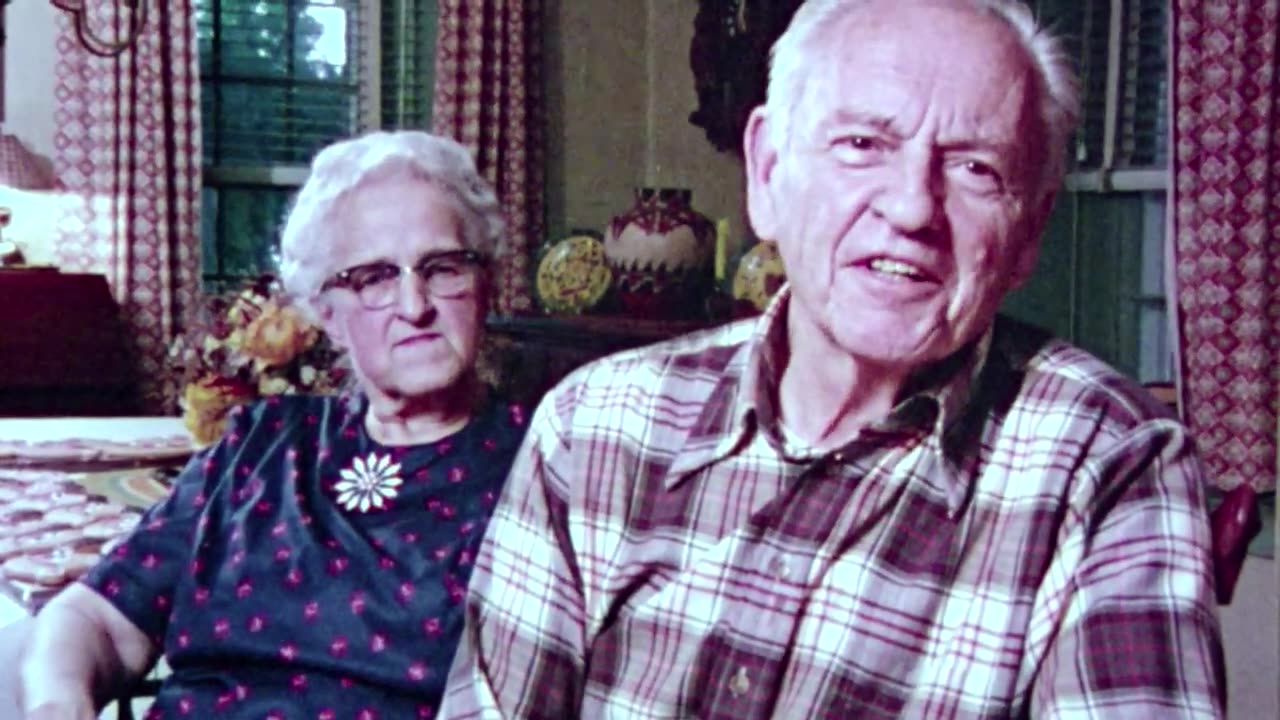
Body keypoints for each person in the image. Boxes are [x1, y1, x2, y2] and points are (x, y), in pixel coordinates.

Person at [439, 1, 1226, 717]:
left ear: (1027, 231)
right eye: (862, 144)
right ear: (769, 171)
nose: (913, 206)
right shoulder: (595, 425)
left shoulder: (1111, 463)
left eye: (975, 168)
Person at [14, 130, 530, 719]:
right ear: (328, 314)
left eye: (442, 268)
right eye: (375, 278)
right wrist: (57, 703)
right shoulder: (259, 445)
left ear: (483, 283)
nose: (415, 306)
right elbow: (97, 618)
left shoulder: (540, 468)